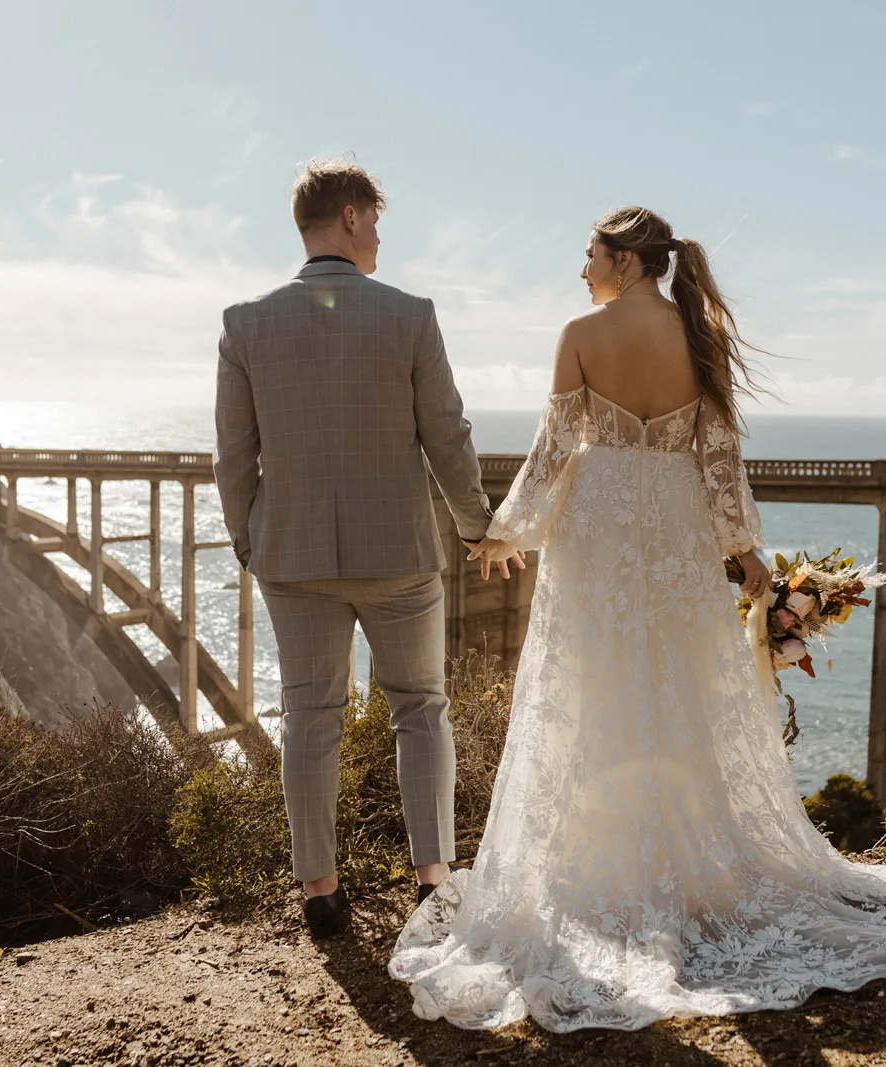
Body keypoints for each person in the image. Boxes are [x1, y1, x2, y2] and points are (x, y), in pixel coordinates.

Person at [387, 206, 886, 1031]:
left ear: (625, 259)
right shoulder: (697, 335)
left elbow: (554, 455)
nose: (580, 266)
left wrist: (505, 531)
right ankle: (692, 868)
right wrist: (745, 551)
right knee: (683, 685)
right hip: (674, 525)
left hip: (598, 534)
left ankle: (606, 870)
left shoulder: (580, 333)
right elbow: (721, 460)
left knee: (596, 686)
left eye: (588, 252)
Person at [214, 158, 523, 941]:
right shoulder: (410, 315)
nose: (380, 234)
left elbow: (231, 455)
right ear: (350, 216)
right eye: (376, 219)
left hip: (294, 557)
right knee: (419, 708)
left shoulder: (244, 323)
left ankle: (320, 891)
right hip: (399, 556)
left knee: (307, 716)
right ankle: (432, 882)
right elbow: (447, 436)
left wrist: (252, 539)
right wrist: (476, 525)